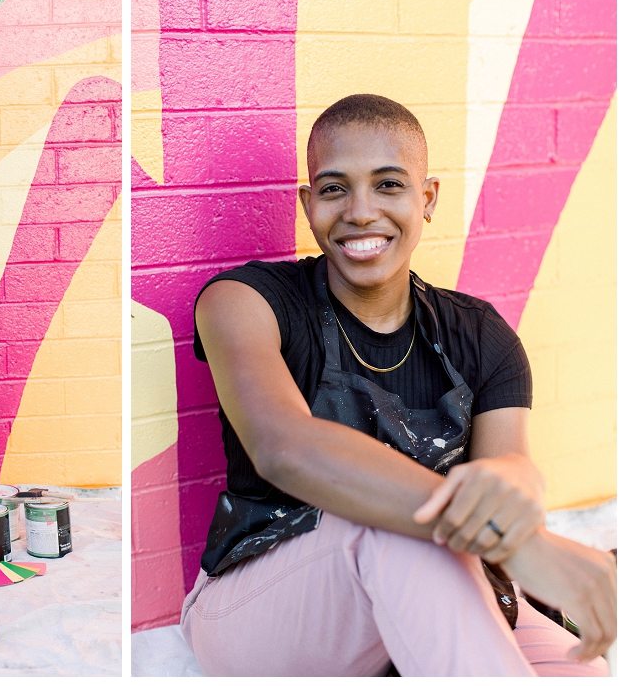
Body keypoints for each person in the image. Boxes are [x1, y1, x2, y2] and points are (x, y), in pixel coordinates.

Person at [181, 95, 615, 676]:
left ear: (427, 198)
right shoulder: (246, 301)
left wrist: (517, 489)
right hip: (263, 604)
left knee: (579, 673)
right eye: (334, 189)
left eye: (388, 185)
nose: (360, 211)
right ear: (309, 206)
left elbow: (505, 470)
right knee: (394, 529)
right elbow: (284, 447)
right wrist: (516, 544)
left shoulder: (480, 334)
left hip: (439, 583)